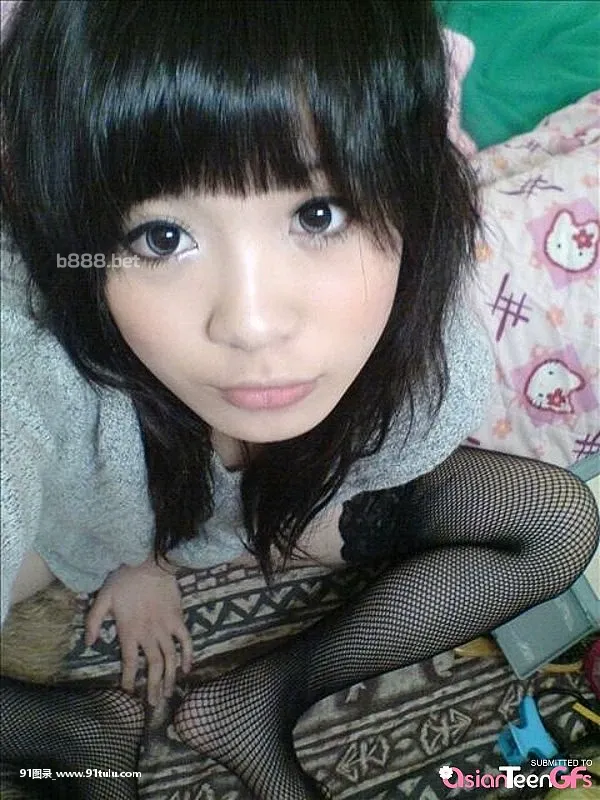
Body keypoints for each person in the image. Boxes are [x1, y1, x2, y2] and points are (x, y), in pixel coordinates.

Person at [1, 1, 598, 799]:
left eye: (319, 214)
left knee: (559, 525)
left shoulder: (427, 340)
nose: (251, 324)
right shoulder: (32, 332)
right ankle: (63, 732)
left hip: (286, 505)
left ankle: (260, 699)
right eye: (161, 237)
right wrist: (136, 558)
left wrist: (228, 530)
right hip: (82, 524)